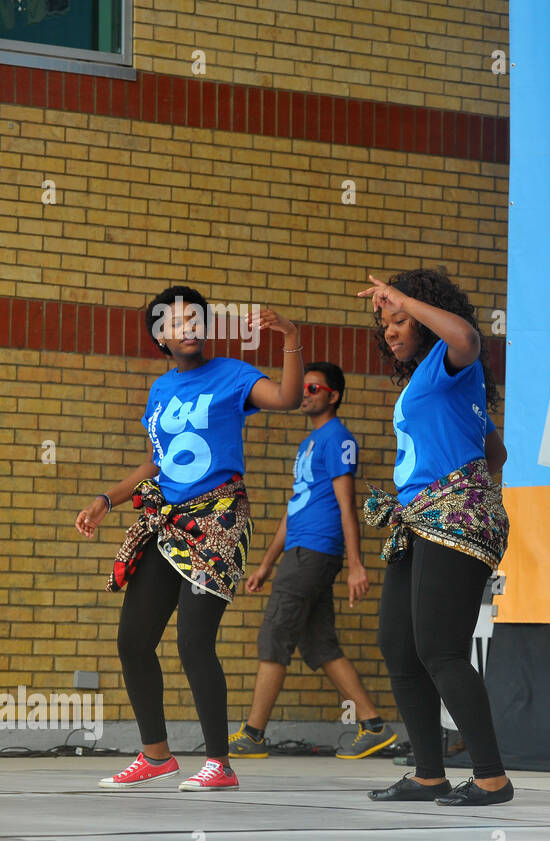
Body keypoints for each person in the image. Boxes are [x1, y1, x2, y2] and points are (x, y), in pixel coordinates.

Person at [77, 286, 304, 790]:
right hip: (169, 520)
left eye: (194, 319)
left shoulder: (233, 375)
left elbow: (288, 400)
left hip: (219, 520)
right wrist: (106, 499)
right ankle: (156, 755)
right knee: (134, 640)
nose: (187, 327)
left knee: (193, 641)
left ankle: (219, 763)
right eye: (175, 322)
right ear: (160, 335)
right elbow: (157, 461)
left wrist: (290, 337)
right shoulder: (161, 390)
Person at [360, 268, 513, 806]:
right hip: (423, 518)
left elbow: (468, 337)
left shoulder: (452, 361)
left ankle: (492, 777)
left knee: (441, 649)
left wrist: (468, 500)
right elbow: (496, 454)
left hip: (453, 518)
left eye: (400, 318)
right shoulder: (431, 379)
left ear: (425, 318)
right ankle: (428, 773)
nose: (391, 330)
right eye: (386, 323)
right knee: (398, 645)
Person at [227, 362, 397, 760]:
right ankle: (373, 726)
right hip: (299, 551)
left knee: (274, 636)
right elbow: (293, 508)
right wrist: (267, 563)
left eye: (314, 388)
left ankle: (252, 735)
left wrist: (356, 564)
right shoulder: (309, 444)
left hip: (315, 552)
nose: (304, 394)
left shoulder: (338, 438)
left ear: (332, 395)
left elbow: (346, 504)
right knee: (320, 645)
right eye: (302, 389)